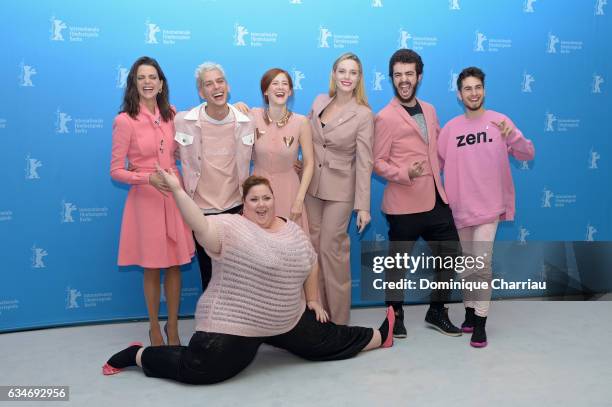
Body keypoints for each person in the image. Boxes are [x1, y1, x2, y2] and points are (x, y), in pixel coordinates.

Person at [102, 173, 395, 384]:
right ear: (244, 205)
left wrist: (313, 300)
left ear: (274, 200)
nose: (262, 204)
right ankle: (137, 355)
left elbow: (311, 262)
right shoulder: (230, 227)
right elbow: (199, 224)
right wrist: (178, 191)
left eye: (267, 198)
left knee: (329, 342)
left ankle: (383, 334)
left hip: (286, 320)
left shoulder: (291, 230)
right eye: (254, 199)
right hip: (237, 324)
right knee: (200, 368)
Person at [438, 66, 535, 347]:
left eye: (477, 87)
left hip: (489, 207)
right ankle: (469, 313)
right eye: (467, 88)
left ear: (485, 90)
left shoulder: (500, 122)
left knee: (480, 264)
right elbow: (436, 167)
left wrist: (513, 136)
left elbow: (528, 153)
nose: (473, 93)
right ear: (459, 94)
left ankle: (480, 323)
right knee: (468, 264)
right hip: (459, 209)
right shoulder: (450, 129)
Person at [373, 49, 462, 339]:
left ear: (419, 77)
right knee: (398, 265)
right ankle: (394, 315)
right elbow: (377, 161)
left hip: (436, 199)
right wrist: (403, 174)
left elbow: (438, 149)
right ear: (392, 79)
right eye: (398, 75)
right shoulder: (385, 117)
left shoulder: (431, 109)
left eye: (409, 74)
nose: (404, 79)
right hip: (404, 203)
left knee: (450, 255)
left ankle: (437, 310)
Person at [110, 56, 195, 346]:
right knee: (152, 266)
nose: (147, 82)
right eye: (141, 77)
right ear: (134, 84)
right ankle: (154, 329)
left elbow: (188, 148)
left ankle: (173, 328)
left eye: (152, 77)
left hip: (174, 195)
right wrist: (146, 179)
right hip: (145, 199)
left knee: (174, 265)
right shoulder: (124, 120)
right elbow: (116, 170)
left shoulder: (173, 114)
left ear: (161, 83)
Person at [305, 52, 374, 325]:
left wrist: (363, 206)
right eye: (342, 71)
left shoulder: (364, 114)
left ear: (359, 78)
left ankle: (339, 322)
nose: (347, 77)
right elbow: (307, 137)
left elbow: (365, 162)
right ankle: (317, 317)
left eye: (353, 72)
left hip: (341, 191)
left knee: (331, 251)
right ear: (333, 74)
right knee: (311, 250)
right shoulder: (320, 101)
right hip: (311, 187)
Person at [174, 62, 255, 293]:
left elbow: (266, 153)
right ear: (201, 92)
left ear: (228, 86)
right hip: (200, 211)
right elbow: (168, 153)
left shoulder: (246, 121)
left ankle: (239, 327)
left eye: (220, 81)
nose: (216, 87)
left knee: (237, 274)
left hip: (236, 208)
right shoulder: (183, 121)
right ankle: (212, 326)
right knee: (209, 276)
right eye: (209, 84)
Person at [252, 68, 314, 232]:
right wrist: (236, 106)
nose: (280, 87)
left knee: (289, 245)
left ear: (291, 91)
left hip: (289, 192)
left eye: (285, 84)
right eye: (275, 83)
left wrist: (299, 200)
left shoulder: (301, 122)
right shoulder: (252, 116)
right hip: (257, 193)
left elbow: (309, 163)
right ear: (265, 90)